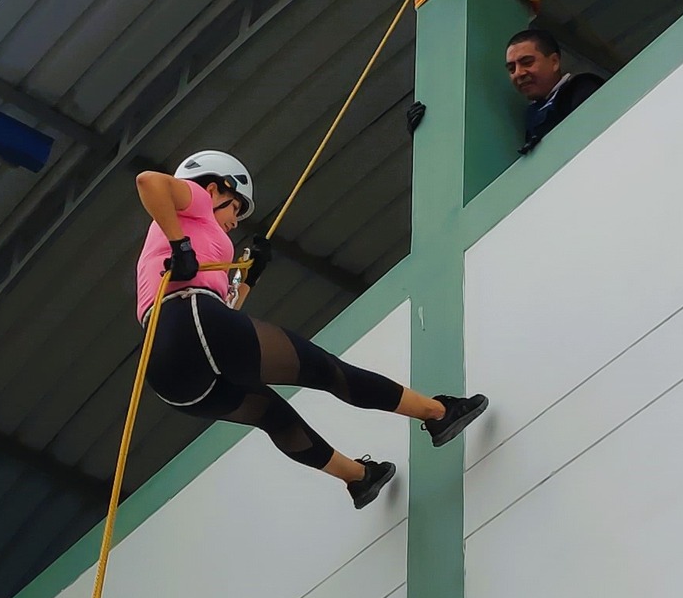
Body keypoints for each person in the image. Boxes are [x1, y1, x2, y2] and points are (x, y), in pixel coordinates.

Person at [134, 150, 486, 509]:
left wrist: (249, 277)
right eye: (236, 207)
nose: (236, 221)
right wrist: (181, 246)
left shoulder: (182, 247)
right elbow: (149, 181)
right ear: (214, 189)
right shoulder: (196, 201)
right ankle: (439, 413)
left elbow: (221, 319)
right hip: (189, 317)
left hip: (171, 375)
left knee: (272, 416)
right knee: (326, 370)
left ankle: (359, 478)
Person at [506, 28, 605, 155]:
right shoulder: (531, 115)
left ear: (554, 62)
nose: (518, 73)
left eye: (527, 63)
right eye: (511, 69)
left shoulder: (583, 87)